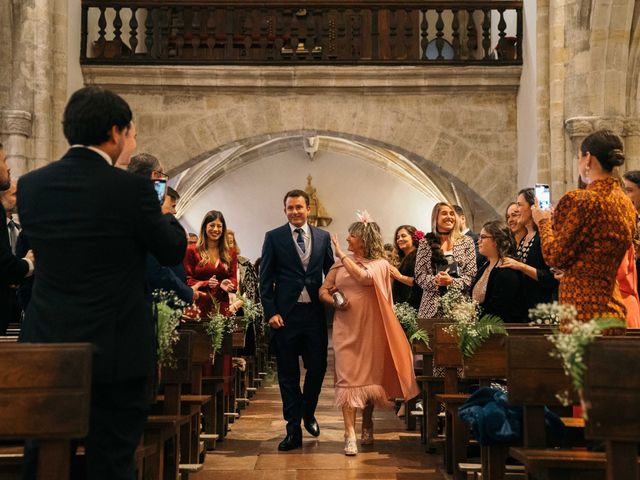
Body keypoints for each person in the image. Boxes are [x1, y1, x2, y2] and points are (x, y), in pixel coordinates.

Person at [17, 86, 187, 480]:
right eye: (132, 133)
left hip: (47, 345)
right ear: (115, 132)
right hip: (117, 348)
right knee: (110, 461)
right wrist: (164, 211)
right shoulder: (133, 190)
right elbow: (169, 251)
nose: (132, 140)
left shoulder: (31, 187)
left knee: (43, 457)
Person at [319, 216, 419, 456]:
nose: (346, 239)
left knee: (369, 380)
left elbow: (364, 279)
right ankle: (349, 433)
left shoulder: (380, 264)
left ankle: (367, 422)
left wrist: (341, 254)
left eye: (351, 235)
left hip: (371, 329)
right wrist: (332, 298)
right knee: (347, 380)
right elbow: (322, 290)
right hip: (345, 329)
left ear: (363, 239)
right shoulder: (339, 266)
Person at [533, 130, 636, 324]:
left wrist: (543, 221)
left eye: (579, 157)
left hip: (582, 311)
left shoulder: (581, 200)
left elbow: (554, 256)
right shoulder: (626, 203)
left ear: (588, 158)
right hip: (613, 308)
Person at [259, 189, 334, 451]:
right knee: (288, 376)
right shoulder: (274, 237)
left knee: (318, 368)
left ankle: (308, 411)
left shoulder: (323, 238)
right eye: (290, 208)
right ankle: (293, 431)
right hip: (285, 317)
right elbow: (265, 281)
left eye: (299, 207)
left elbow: (330, 274)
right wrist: (272, 312)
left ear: (308, 208)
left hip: (314, 314)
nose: (295, 212)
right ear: (285, 210)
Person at [128, 155, 197, 305]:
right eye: (163, 177)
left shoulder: (121, 207)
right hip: (141, 303)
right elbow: (156, 267)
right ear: (155, 176)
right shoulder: (145, 215)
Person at [499, 188, 558, 312]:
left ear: (533, 207)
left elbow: (552, 278)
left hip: (541, 308)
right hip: (524, 307)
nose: (517, 209)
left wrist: (521, 266)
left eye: (520, 205)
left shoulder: (543, 236)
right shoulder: (525, 237)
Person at [415, 202, 477, 318]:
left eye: (452, 214)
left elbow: (471, 276)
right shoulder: (425, 242)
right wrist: (437, 281)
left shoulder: (466, 242)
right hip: (430, 308)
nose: (449, 217)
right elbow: (419, 275)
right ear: (435, 218)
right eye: (444, 213)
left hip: (459, 308)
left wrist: (451, 282)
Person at [0, 149, 34, 335]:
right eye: (4, 160)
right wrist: (28, 264)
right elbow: (4, 265)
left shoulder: (20, 229)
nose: (8, 167)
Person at [183, 210, 238, 318]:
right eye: (212, 225)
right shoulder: (191, 250)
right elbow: (187, 279)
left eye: (219, 226)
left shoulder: (231, 252)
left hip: (222, 306)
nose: (216, 229)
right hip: (198, 306)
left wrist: (229, 284)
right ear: (204, 227)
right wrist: (206, 283)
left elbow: (234, 278)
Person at [471, 221, 525, 322]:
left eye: (483, 237)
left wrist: (470, 314)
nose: (478, 241)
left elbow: (498, 310)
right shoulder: (485, 266)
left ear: (496, 241)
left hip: (502, 331)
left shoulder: (507, 271)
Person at [389, 225, 423, 310]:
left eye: (403, 236)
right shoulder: (400, 258)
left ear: (413, 237)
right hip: (402, 307)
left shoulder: (419, 256)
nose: (399, 239)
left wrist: (399, 276)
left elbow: (420, 282)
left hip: (413, 306)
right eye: (397, 237)